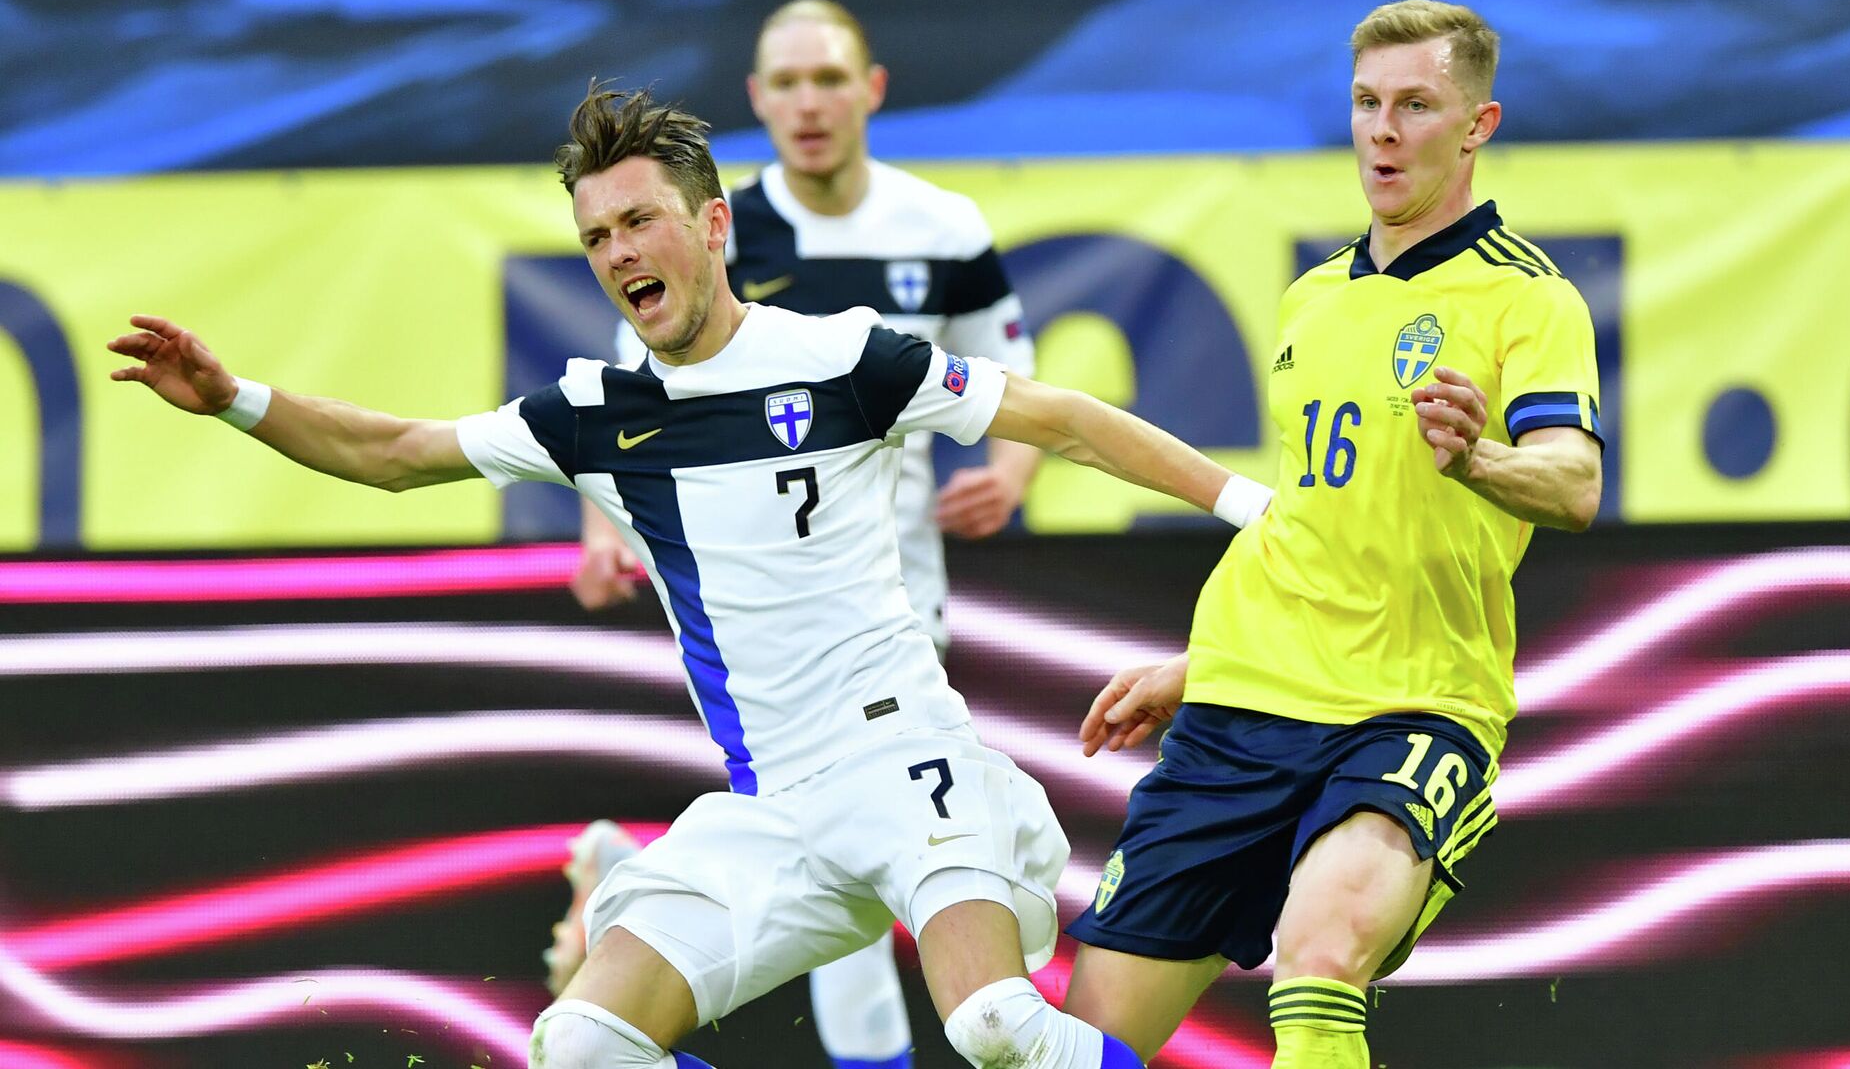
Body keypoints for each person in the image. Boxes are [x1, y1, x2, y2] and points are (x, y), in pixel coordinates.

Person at [106, 85, 1276, 1069]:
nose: (618, 252)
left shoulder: (844, 358)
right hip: (772, 806)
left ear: (713, 225)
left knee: (994, 1029)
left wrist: (1254, 509)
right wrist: (234, 402)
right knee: (583, 1043)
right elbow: (396, 454)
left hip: (907, 756)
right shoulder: (594, 416)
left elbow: (1061, 417)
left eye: (639, 221)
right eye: (596, 237)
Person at [1059, 0, 1605, 1068]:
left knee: (1317, 965)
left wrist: (1484, 460)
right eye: (1366, 104)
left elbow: (1576, 482)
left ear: (1478, 123)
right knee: (1082, 1049)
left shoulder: (1528, 299)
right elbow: (1316, 510)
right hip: (1245, 699)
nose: (1383, 131)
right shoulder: (1313, 298)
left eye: (1415, 105)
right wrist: (1201, 662)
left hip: (1411, 707)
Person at [561, 1, 1040, 1065]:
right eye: (785, 84)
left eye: (828, 79)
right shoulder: (698, 233)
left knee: (907, 901)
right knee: (855, 908)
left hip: (899, 605)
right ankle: (629, 937)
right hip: (766, 623)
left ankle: (622, 911)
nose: (808, 103)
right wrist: (606, 528)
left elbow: (1018, 378)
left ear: (871, 89)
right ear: (757, 102)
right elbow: (623, 420)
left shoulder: (946, 229)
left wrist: (1008, 474)